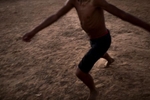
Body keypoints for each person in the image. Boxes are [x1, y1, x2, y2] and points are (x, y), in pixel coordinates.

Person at [23, 0, 150, 100]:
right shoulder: (73, 1)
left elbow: (122, 14)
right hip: (93, 40)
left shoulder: (96, 1)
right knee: (97, 51)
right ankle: (110, 59)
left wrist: (146, 26)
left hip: (103, 40)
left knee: (80, 73)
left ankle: (94, 91)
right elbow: (55, 16)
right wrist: (34, 31)